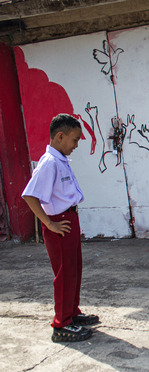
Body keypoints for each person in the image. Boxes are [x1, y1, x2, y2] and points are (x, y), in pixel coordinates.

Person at [22, 114, 99, 343]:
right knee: (64, 274)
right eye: (74, 140)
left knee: (74, 269)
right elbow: (29, 196)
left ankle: (72, 313)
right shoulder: (49, 163)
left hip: (69, 220)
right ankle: (62, 324)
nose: (76, 145)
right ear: (60, 136)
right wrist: (49, 224)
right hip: (59, 223)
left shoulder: (61, 160)